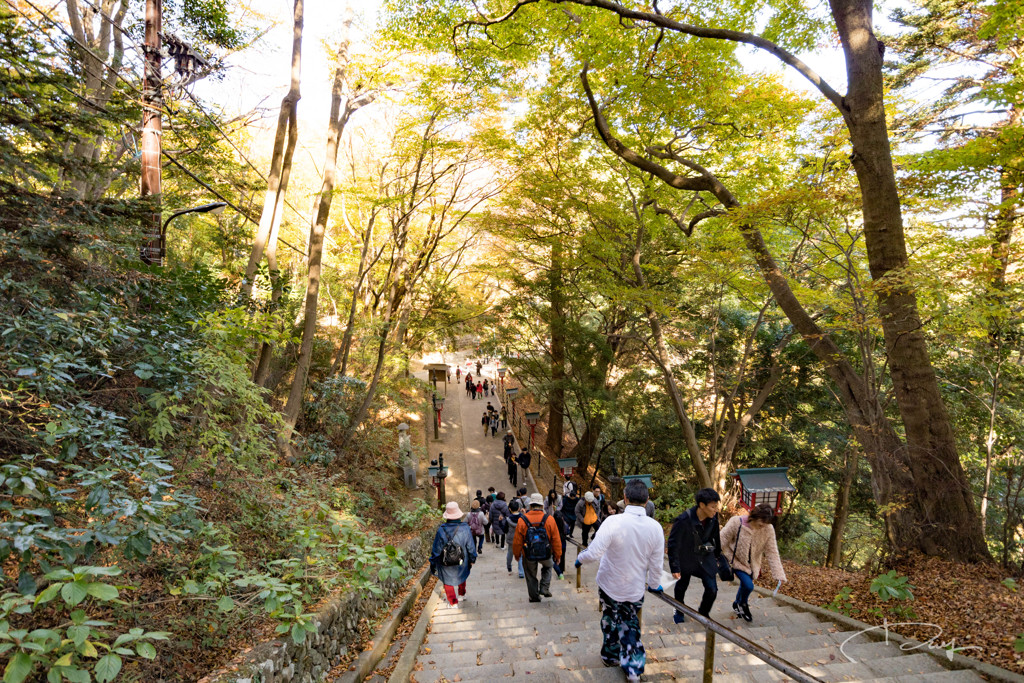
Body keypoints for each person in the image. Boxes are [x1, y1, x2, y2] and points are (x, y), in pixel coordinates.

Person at [576, 479, 664, 681]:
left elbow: (594, 552)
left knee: (609, 618)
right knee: (630, 624)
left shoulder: (613, 522)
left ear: (625, 498)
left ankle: (610, 655)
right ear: (647, 500)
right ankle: (633, 669)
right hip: (634, 588)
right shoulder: (655, 527)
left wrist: (580, 559)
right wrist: (653, 585)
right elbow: (656, 564)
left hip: (610, 585)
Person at [719, 503, 787, 622]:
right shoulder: (736, 522)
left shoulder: (768, 529)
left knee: (745, 585)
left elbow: (772, 551)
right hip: (735, 560)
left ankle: (736, 603)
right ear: (754, 516)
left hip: (753, 563)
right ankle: (743, 604)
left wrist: (778, 574)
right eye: (761, 524)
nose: (762, 527)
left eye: (765, 524)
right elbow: (722, 539)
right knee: (749, 585)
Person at [667, 488, 723, 623]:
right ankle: (679, 610)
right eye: (713, 507)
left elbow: (716, 538)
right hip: (685, 558)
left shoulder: (713, 519)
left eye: (716, 507)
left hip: (704, 557)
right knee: (681, 586)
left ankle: (703, 612)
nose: (715, 510)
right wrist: (675, 567)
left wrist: (717, 557)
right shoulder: (683, 520)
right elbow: (673, 544)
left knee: (712, 588)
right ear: (702, 505)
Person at [513, 492, 563, 602]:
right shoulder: (549, 519)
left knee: (530, 574)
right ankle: (544, 587)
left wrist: (517, 554)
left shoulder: (522, 520)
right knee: (548, 566)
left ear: (530, 506)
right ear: (541, 506)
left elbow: (517, 541)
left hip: (528, 553)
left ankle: (534, 597)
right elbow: (556, 539)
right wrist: (557, 555)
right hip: (545, 552)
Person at [429, 502, 478, 608]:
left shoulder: (441, 530)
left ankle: (453, 602)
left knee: (447, 579)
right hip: (462, 558)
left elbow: (436, 549)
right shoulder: (465, 528)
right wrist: (472, 558)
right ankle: (462, 594)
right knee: (462, 573)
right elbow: (470, 546)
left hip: (445, 560)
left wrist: (433, 561)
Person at [505, 499, 525, 577]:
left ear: (510, 509)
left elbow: (505, 529)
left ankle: (509, 567)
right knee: (520, 554)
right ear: (518, 508)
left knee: (510, 553)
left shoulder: (508, 519)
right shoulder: (523, 518)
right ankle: (521, 572)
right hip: (520, 538)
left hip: (511, 539)